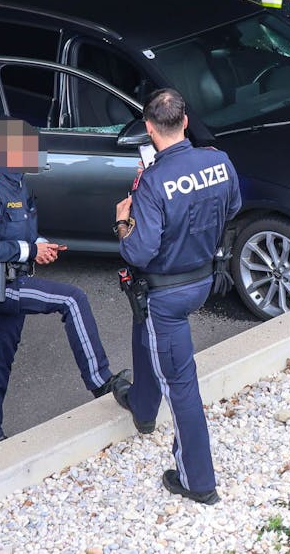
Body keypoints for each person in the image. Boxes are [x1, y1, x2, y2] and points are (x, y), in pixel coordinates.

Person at [0, 118, 131, 451]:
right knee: (72, 300)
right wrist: (30, 250)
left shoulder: (17, 183)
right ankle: (101, 382)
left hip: (14, 275)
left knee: (1, 353)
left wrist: (41, 245)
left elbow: (21, 230)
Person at [114, 88, 242, 505]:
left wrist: (123, 221)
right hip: (204, 281)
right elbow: (232, 206)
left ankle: (198, 481)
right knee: (144, 328)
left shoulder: (151, 182)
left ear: (149, 130)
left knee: (182, 385)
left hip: (166, 295)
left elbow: (138, 251)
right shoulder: (219, 161)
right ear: (185, 122)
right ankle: (142, 408)